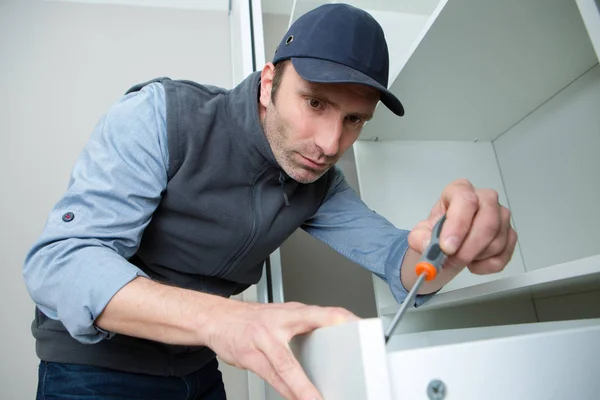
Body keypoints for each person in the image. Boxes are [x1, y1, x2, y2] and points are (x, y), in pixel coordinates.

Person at [23, 3, 517, 400]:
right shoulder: (159, 115)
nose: (329, 143)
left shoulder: (320, 182)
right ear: (268, 84)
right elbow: (61, 264)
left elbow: (396, 259)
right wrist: (225, 320)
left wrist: (446, 249)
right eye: (315, 102)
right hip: (93, 371)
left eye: (354, 120)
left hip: (198, 368)